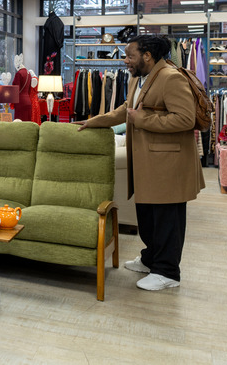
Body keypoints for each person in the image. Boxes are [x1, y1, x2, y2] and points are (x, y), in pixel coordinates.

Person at [75, 34, 204, 291]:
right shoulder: (139, 78)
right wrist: (94, 121)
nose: (126, 61)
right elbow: (126, 109)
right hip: (149, 164)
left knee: (167, 220)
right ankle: (150, 259)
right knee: (148, 217)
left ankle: (167, 272)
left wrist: (142, 119)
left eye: (130, 55)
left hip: (169, 165)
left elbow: (185, 119)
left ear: (147, 55)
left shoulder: (171, 77)